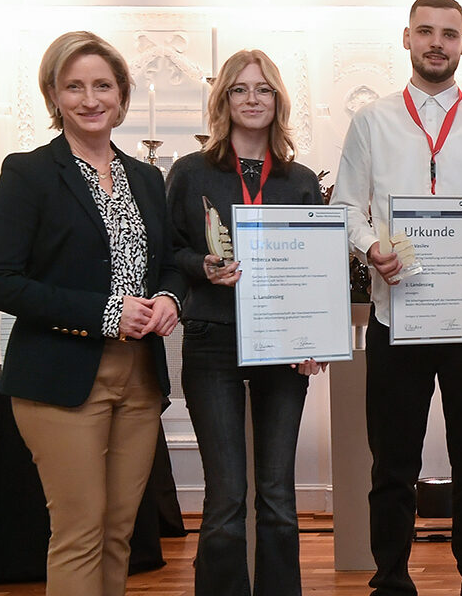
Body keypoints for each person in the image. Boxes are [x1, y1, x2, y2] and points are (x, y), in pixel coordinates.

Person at [331, 0, 462, 595]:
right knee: (392, 466)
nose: (437, 43)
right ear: (406, 39)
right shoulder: (371, 122)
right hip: (399, 321)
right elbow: (345, 205)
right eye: (426, 32)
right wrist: (370, 246)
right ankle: (390, 580)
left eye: (449, 34)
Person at [0, 31, 183, 596]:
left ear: (121, 96)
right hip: (60, 377)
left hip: (139, 378)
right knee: (80, 531)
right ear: (53, 94)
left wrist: (168, 299)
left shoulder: (144, 177)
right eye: (75, 86)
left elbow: (165, 265)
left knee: (120, 531)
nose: (90, 99)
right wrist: (105, 313)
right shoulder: (30, 173)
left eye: (103, 86)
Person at [165, 49, 326, 595]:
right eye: (240, 89)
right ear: (224, 100)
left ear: (277, 100)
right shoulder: (190, 173)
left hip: (283, 347)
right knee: (227, 497)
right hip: (213, 343)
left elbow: (315, 268)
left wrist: (315, 338)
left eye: (262, 89)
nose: (252, 99)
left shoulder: (300, 179)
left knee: (279, 496)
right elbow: (168, 252)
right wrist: (201, 267)